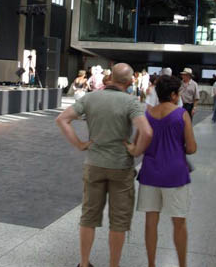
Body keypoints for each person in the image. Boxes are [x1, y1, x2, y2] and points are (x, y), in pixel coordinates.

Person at [55, 63, 153, 267]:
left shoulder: (90, 97)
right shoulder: (131, 102)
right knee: (118, 221)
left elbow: (62, 119)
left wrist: (80, 144)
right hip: (121, 167)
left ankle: (83, 263)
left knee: (88, 216)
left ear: (110, 79)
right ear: (129, 81)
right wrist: (136, 151)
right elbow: (147, 132)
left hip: (94, 164)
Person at [125, 75, 197, 267]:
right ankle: (182, 265)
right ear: (173, 95)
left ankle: (151, 264)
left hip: (150, 173)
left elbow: (137, 144)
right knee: (179, 223)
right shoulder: (182, 114)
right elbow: (191, 148)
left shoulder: (147, 114)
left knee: (151, 221)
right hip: (176, 173)